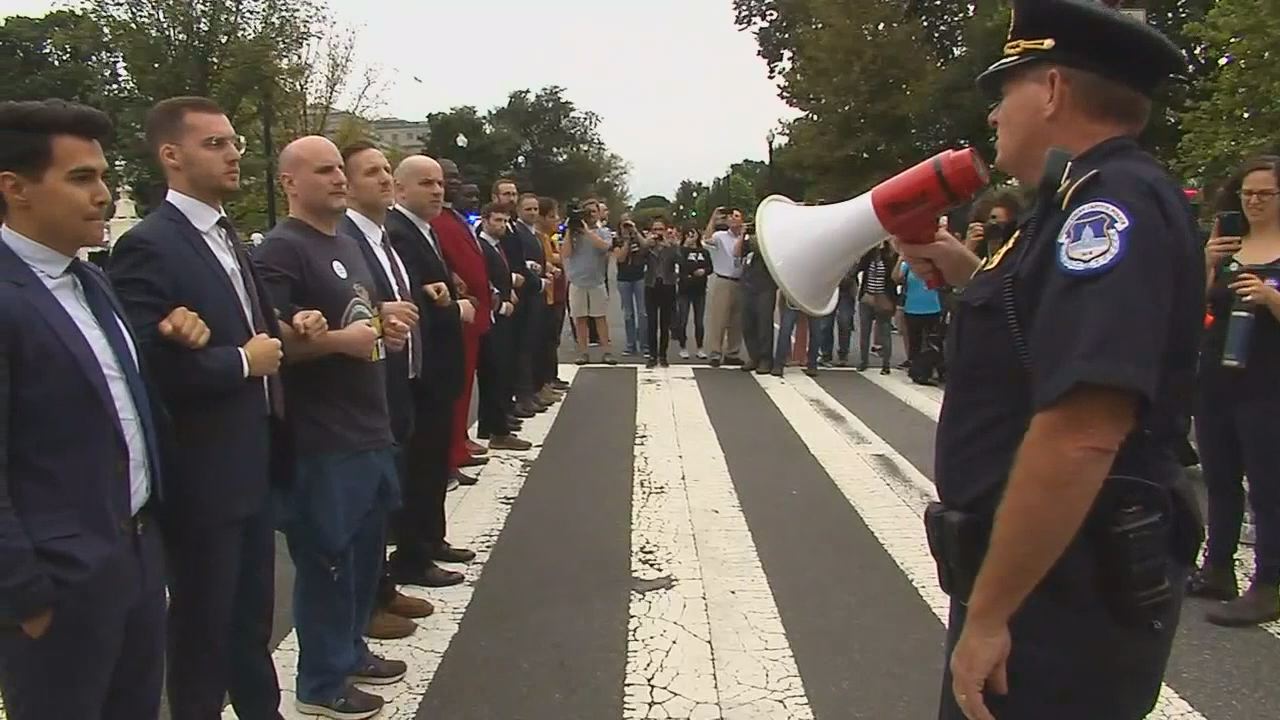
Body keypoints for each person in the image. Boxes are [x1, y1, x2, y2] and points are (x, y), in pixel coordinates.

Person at [899, 2, 1203, 718]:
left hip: (1066, 586)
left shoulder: (1111, 207)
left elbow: (1082, 432)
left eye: (1006, 89)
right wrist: (968, 270)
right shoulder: (1069, 203)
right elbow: (1040, 334)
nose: (996, 113)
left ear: (1055, 90)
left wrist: (992, 614)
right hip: (1049, 568)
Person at [0, 99, 210, 720]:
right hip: (58, 587)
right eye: (81, 178)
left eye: (102, 175)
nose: (104, 194)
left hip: (136, 560)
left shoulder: (92, 280)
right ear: (15, 190)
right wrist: (24, 595)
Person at [108, 95, 290, 720]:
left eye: (235, 141)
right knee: (203, 629)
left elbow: (252, 327)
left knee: (249, 621)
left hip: (253, 458)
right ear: (171, 156)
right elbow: (144, 364)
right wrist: (241, 362)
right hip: (202, 471)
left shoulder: (225, 234)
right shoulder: (149, 245)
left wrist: (286, 331)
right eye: (215, 144)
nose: (235, 152)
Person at [255, 136, 409, 719]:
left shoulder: (346, 240)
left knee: (365, 555)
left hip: (370, 425)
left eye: (338, 170)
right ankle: (321, 681)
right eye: (322, 172)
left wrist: (385, 321)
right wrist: (340, 340)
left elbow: (359, 315)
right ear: (290, 182)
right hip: (322, 438)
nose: (338, 179)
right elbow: (276, 337)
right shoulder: (280, 250)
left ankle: (350, 650)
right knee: (328, 559)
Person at [338, 141, 438, 640]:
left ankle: (383, 585)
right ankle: (369, 601)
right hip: (370, 389)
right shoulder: (347, 240)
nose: (381, 179)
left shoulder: (384, 239)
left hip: (402, 380)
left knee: (387, 495)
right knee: (367, 504)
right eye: (370, 172)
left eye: (384, 169)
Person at [1188, 155, 1280, 626]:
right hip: (1217, 375)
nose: (1254, 202)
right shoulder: (1228, 244)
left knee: (1267, 486)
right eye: (1247, 194)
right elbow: (1196, 304)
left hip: (1268, 382)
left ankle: (1269, 584)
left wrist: (1270, 298)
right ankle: (1217, 567)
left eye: (1265, 193)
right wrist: (1206, 263)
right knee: (1220, 479)